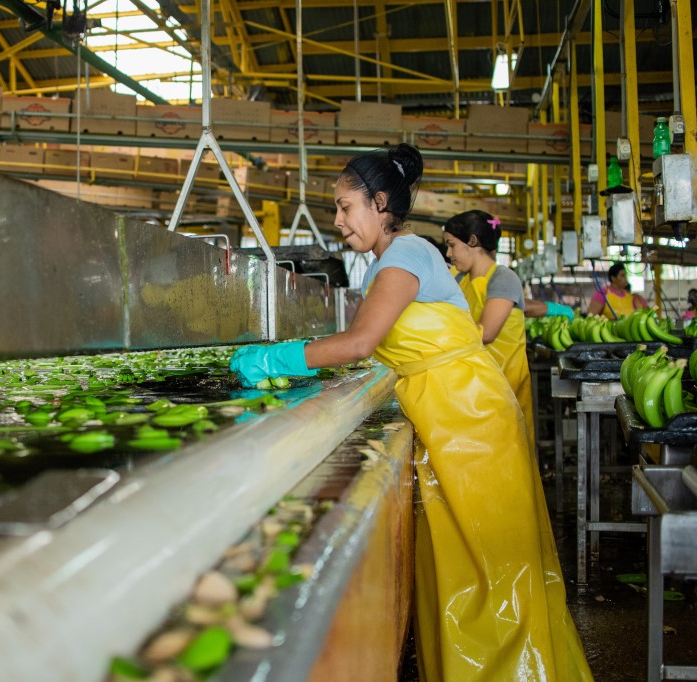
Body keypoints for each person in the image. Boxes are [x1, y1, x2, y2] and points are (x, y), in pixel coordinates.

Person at [230, 143, 592, 682]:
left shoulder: (405, 254)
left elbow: (361, 341)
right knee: (467, 564)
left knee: (491, 566)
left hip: (470, 420)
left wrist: (274, 358)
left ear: (380, 203)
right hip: (454, 413)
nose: (338, 221)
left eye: (345, 207)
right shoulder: (394, 260)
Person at [442, 210, 536, 454]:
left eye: (452, 245)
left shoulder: (503, 278)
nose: (449, 254)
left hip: (504, 385)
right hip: (473, 385)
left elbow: (486, 333)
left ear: (472, 242)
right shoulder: (459, 278)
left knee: (506, 454)